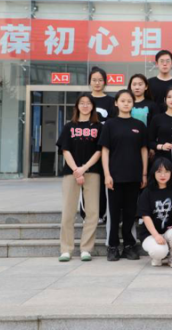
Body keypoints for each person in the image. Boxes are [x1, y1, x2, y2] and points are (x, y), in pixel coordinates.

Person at [99, 90, 149, 262]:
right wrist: (107, 174)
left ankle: (129, 245)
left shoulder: (139, 125)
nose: (126, 103)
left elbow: (144, 150)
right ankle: (112, 246)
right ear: (116, 103)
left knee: (130, 213)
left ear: (133, 104)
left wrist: (144, 173)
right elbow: (105, 151)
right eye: (123, 101)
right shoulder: (110, 124)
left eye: (129, 101)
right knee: (113, 214)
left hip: (134, 176)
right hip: (114, 177)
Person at [56, 95, 102, 262]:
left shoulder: (98, 127)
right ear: (77, 106)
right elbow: (65, 149)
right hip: (71, 172)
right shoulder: (69, 126)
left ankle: (86, 249)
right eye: (81, 103)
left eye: (88, 103)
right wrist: (76, 170)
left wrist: (84, 168)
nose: (85, 105)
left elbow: (99, 150)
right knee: (68, 211)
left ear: (93, 106)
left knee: (92, 212)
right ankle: (66, 249)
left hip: (92, 171)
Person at [138, 157, 172, 268]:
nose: (163, 175)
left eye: (166, 171)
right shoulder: (147, 192)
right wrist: (156, 235)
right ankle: (157, 257)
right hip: (150, 234)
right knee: (159, 251)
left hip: (169, 231)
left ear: (171, 173)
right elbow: (145, 216)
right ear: (154, 173)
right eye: (159, 171)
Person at [84, 67, 115, 222]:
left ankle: (103, 212)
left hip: (105, 147)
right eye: (94, 80)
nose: (97, 83)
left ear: (105, 82)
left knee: (103, 180)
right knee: (87, 182)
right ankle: (88, 213)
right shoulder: (84, 99)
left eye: (100, 80)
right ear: (90, 82)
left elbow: (113, 124)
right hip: (86, 146)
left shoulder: (111, 101)